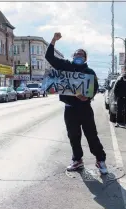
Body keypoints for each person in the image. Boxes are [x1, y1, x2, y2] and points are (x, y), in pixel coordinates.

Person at [45, 32, 108, 174]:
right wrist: (54, 40)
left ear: (85, 58)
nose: (78, 56)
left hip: (85, 109)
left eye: (81, 54)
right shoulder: (65, 66)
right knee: (73, 135)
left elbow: (94, 89)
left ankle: (100, 160)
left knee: (91, 135)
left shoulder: (90, 72)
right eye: (76, 54)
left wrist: (88, 96)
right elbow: (49, 57)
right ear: (73, 56)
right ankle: (77, 160)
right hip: (70, 109)